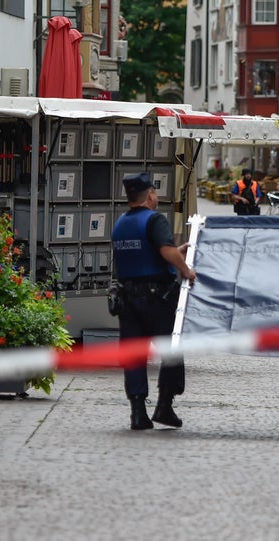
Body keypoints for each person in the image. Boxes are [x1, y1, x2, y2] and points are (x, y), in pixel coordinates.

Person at [113, 172, 198, 430]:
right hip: (157, 298)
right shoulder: (155, 219)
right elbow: (165, 250)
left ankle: (137, 413)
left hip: (127, 299)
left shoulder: (120, 223)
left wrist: (173, 255)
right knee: (171, 350)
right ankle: (164, 406)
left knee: (135, 355)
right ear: (150, 194)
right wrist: (186, 269)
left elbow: (143, 253)